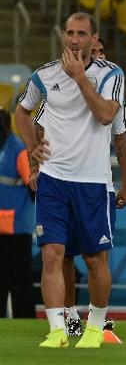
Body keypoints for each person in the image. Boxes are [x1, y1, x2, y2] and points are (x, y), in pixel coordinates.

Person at [16, 12, 124, 348]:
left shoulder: (111, 74)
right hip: (53, 178)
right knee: (52, 254)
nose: (74, 39)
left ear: (94, 38)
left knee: (94, 259)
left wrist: (79, 78)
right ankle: (57, 330)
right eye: (69, 33)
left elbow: (107, 115)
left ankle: (94, 327)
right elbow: (22, 111)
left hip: (93, 181)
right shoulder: (45, 74)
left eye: (81, 33)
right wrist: (32, 147)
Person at [59, 36, 126, 336]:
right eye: (96, 52)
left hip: (97, 183)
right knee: (62, 252)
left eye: (103, 52)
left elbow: (120, 138)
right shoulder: (59, 87)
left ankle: (95, 317)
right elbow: (38, 121)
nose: (101, 58)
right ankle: (69, 313)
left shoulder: (113, 93)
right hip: (62, 181)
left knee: (96, 254)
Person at [0, 108, 35, 319]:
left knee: (19, 280)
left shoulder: (18, 150)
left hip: (16, 227)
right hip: (6, 227)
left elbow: (33, 185)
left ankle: (25, 320)